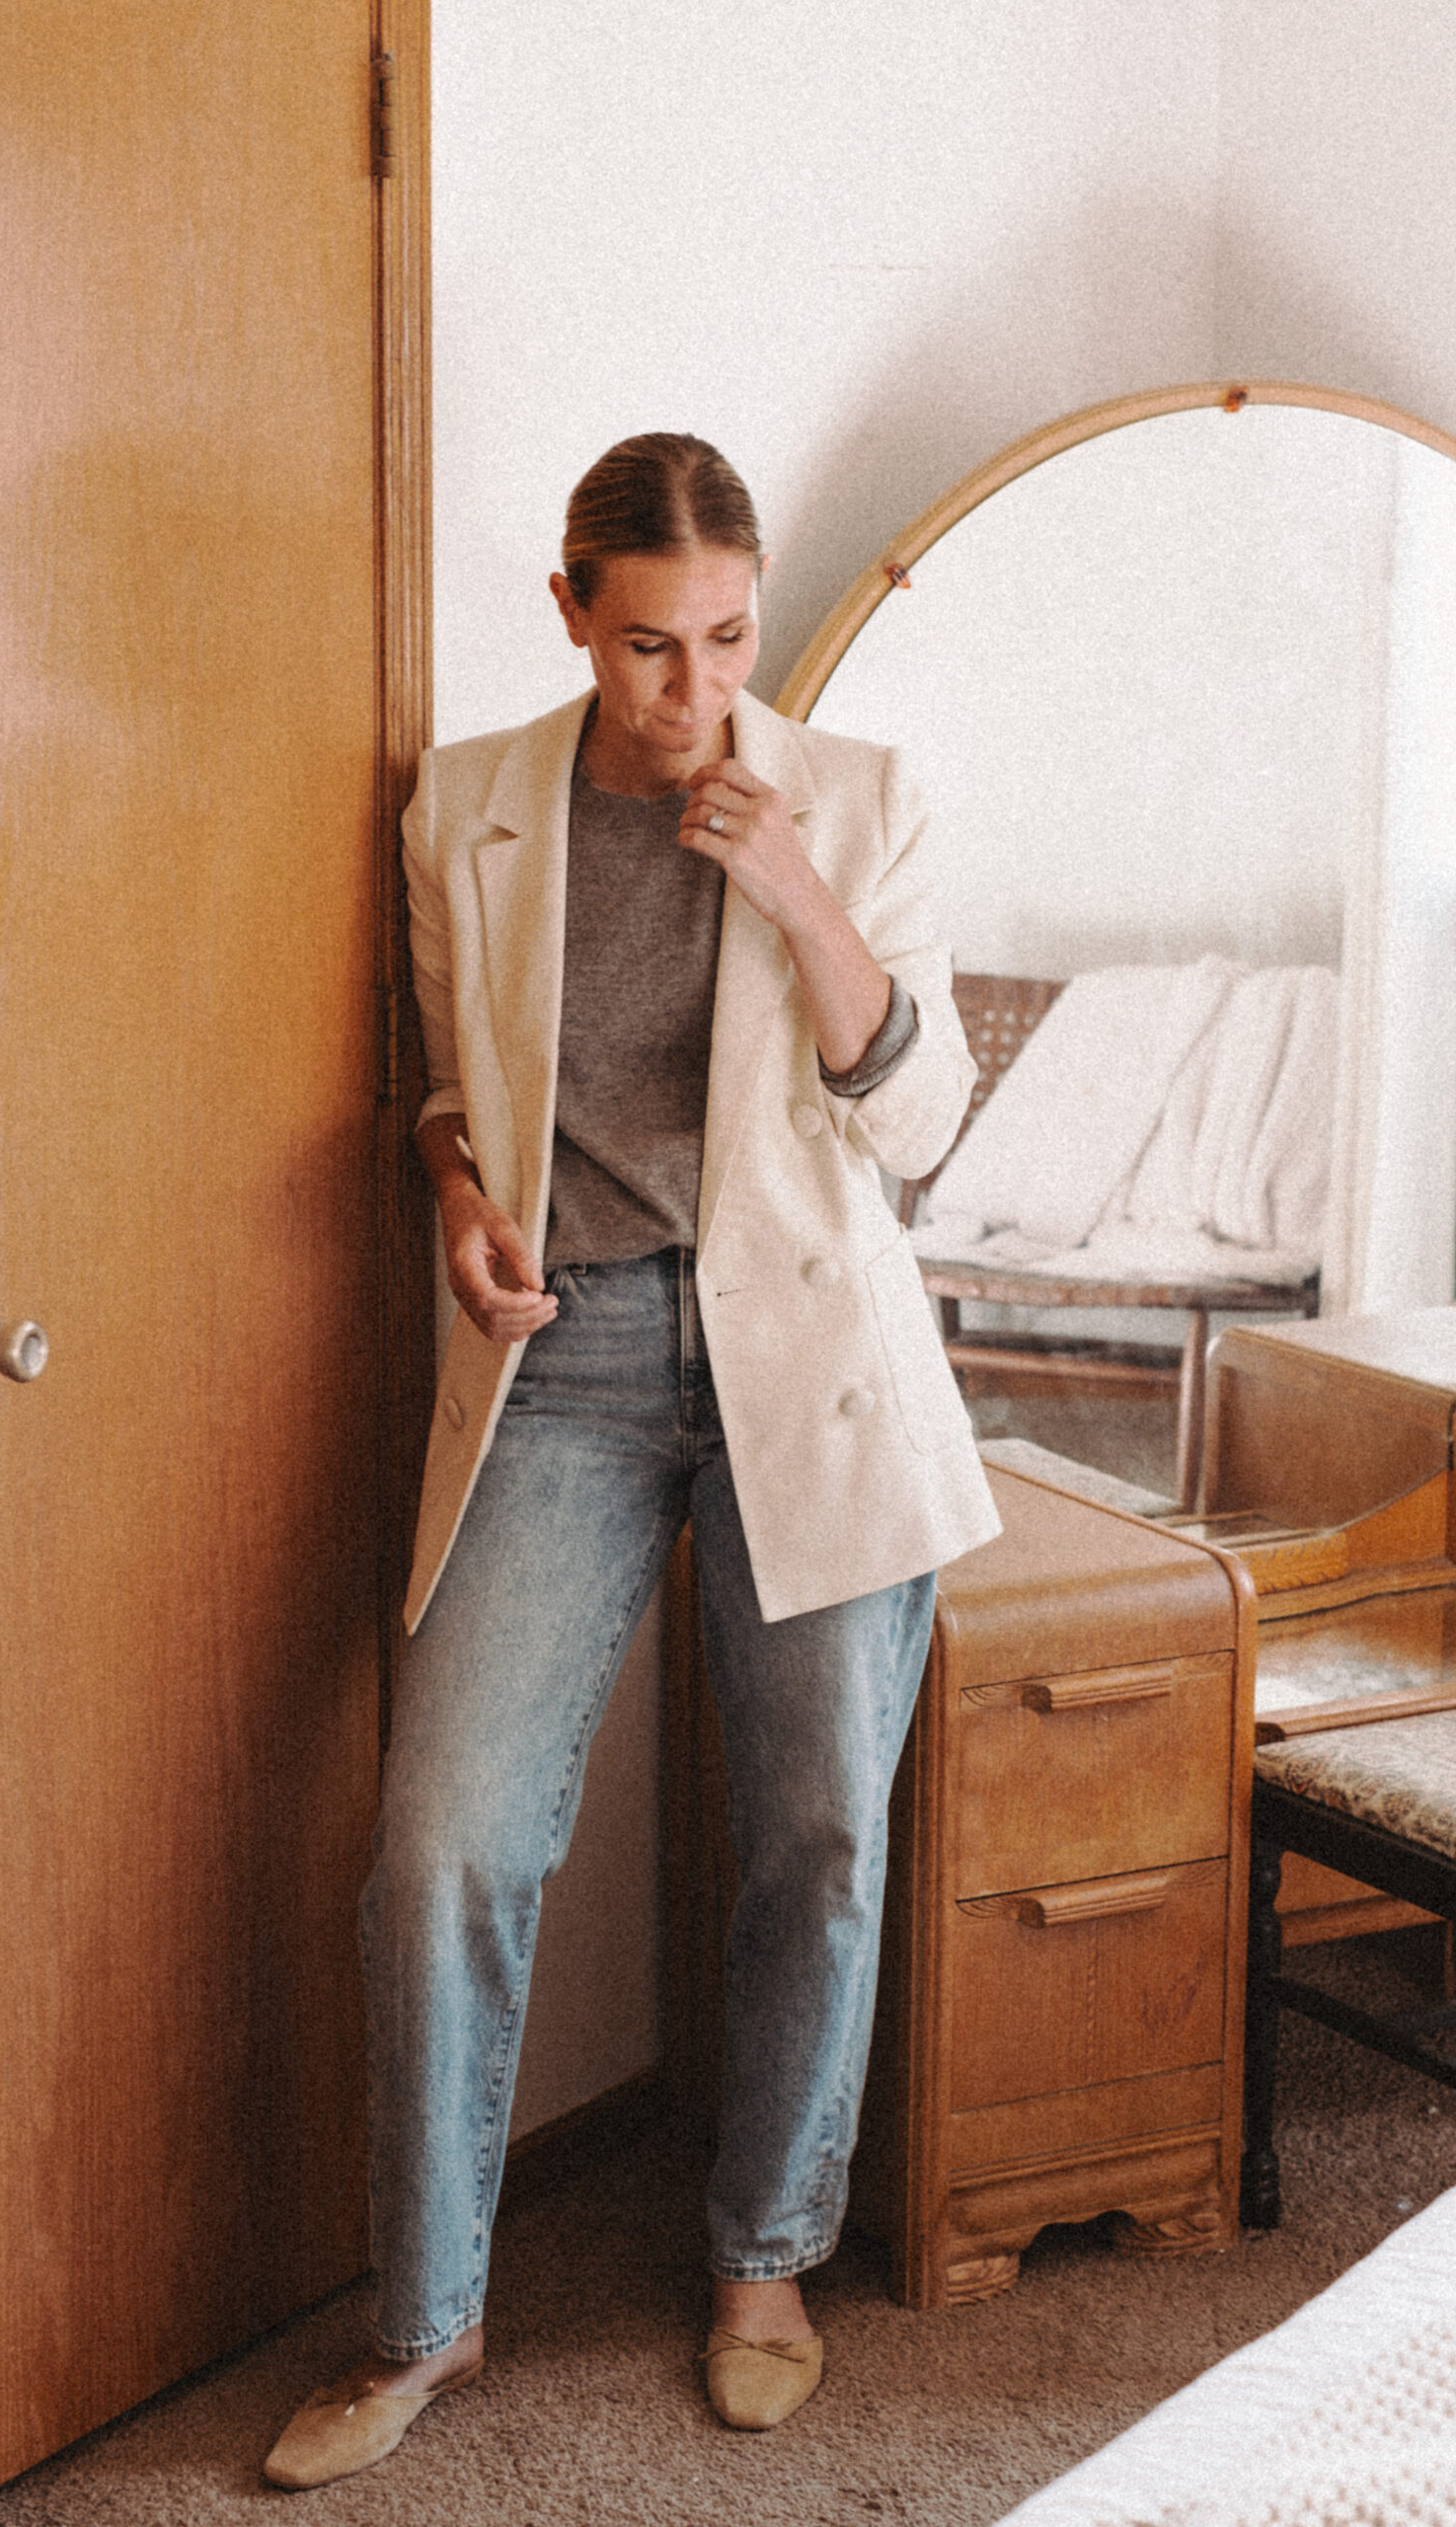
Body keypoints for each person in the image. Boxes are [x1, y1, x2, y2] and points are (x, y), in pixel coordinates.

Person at [264, 433, 999, 2491]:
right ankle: (425, 2310)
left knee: (815, 1836)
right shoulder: (475, 802)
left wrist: (782, 877)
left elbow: (919, 1119)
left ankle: (764, 2256)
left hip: (809, 1365)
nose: (693, 693)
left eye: (729, 642)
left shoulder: (852, 795)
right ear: (573, 609)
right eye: (652, 645)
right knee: (444, 1838)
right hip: (563, 1358)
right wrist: (448, 1191)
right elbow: (438, 1073)